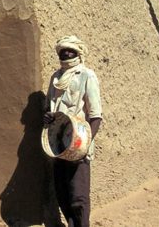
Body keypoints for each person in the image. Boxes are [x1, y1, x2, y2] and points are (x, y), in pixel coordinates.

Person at [44, 36, 102, 227]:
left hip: (78, 144)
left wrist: (84, 144)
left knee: (78, 197)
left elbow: (95, 116)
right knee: (62, 194)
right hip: (58, 143)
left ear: (78, 53)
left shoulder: (87, 76)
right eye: (62, 51)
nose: (66, 53)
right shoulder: (56, 77)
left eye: (70, 50)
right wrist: (48, 117)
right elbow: (48, 108)